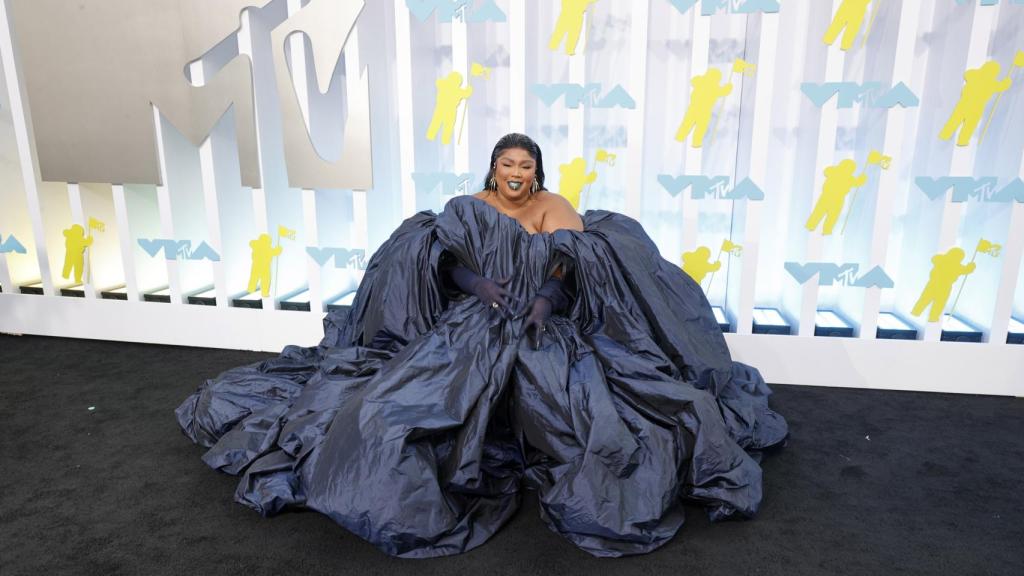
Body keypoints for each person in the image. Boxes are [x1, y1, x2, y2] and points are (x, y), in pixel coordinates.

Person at [176, 133, 788, 558]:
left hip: (542, 320)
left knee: (569, 397)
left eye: (526, 165)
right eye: (506, 164)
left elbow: (571, 265)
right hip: (474, 317)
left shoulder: (555, 207)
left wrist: (545, 300)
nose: (516, 174)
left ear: (537, 171)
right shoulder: (467, 208)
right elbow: (443, 264)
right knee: (393, 404)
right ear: (493, 167)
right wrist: (478, 284)